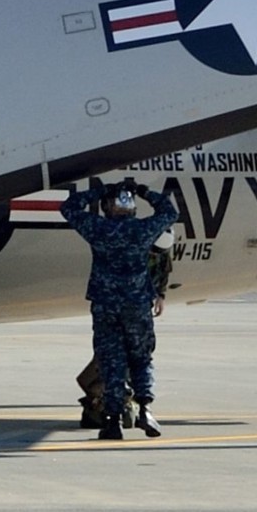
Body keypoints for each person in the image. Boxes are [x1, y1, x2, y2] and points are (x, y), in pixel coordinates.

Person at [61, 178, 180, 441]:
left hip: (106, 305)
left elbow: (69, 207)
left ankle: (112, 420)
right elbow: (171, 213)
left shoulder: (98, 229)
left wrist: (101, 191)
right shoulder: (143, 230)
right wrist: (144, 192)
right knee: (141, 358)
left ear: (107, 208)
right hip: (136, 304)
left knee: (111, 362)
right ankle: (145, 409)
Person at [78, 248, 171, 430]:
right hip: (134, 311)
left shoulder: (144, 247)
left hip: (116, 310)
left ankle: (115, 418)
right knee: (137, 362)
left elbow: (163, 275)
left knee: (116, 363)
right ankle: (138, 409)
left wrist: (160, 296)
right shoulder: (141, 244)